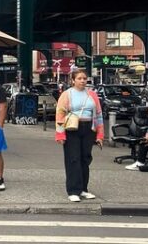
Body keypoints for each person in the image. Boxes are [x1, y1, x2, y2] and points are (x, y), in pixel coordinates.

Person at [54, 68, 104, 202]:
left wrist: (100, 135)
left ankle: (83, 189)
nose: (82, 81)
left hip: (89, 128)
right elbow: (60, 114)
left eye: (84, 78)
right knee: (73, 158)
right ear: (73, 80)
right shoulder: (67, 94)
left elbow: (98, 115)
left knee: (85, 159)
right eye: (79, 78)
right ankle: (73, 190)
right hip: (72, 128)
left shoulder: (92, 94)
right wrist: (60, 135)